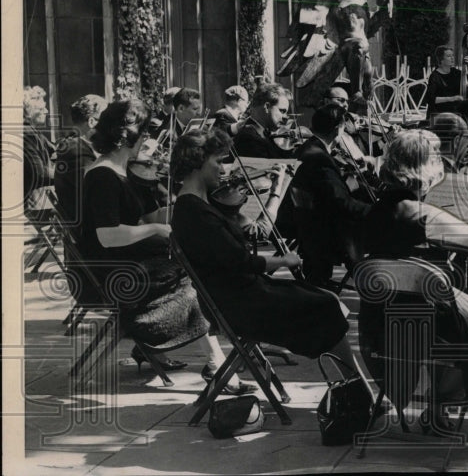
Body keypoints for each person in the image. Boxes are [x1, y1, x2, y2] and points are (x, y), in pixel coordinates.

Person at [169, 129, 367, 377]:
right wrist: (285, 259)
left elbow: (251, 234)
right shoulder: (194, 212)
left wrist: (277, 187)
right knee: (325, 305)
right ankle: (355, 385)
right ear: (198, 161)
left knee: (327, 302)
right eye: (218, 161)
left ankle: (355, 384)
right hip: (241, 305)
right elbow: (242, 261)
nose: (223, 170)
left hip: (244, 294)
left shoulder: (201, 204)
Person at [360, 129, 468, 441]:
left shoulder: (375, 209)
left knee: (455, 294)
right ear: (426, 170)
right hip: (428, 325)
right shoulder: (418, 213)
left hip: (381, 322)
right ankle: (446, 400)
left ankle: (440, 401)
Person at [78, 100, 233, 382]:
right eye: (144, 130)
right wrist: (154, 231)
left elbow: (154, 215)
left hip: (130, 261)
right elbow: (107, 235)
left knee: (195, 266)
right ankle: (216, 362)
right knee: (193, 279)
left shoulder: (126, 171)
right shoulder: (102, 175)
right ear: (124, 134)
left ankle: (200, 357)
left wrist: (193, 197)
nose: (148, 138)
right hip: (113, 271)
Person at [275, 103, 373, 287]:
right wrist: (375, 210)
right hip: (324, 232)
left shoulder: (308, 148)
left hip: (310, 225)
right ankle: (372, 283)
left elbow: (328, 188)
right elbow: (341, 203)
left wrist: (346, 176)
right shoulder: (319, 158)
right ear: (338, 129)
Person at [53, 94, 108, 226]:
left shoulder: (79, 145)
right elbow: (99, 190)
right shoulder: (75, 150)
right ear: (91, 122)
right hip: (90, 231)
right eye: (108, 121)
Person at [232, 83, 297, 159]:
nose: (285, 117)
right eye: (282, 111)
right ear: (267, 107)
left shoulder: (260, 132)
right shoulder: (249, 138)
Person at [424, 45, 468, 117]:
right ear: (441, 59)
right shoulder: (435, 76)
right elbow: (429, 99)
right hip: (440, 114)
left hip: (455, 111)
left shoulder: (456, 72)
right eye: (449, 56)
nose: (452, 58)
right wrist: (453, 98)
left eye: (452, 55)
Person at [23, 86, 54, 208]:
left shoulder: (33, 132)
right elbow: (40, 174)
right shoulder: (26, 134)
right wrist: (69, 175)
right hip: (32, 204)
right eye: (42, 108)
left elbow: (56, 151)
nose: (46, 111)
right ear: (29, 111)